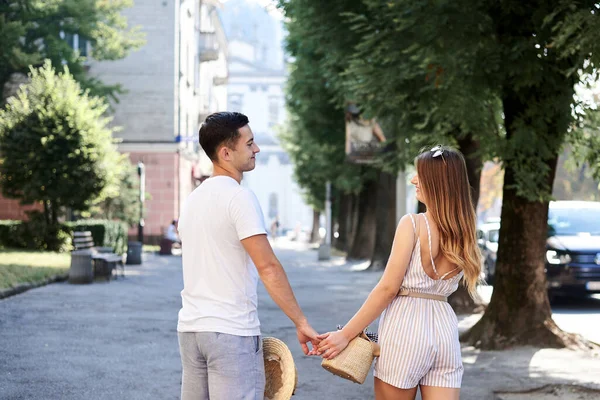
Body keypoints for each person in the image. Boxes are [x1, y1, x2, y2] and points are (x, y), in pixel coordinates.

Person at [316, 145, 481, 400]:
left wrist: (345, 335)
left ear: (437, 183)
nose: (413, 179)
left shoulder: (413, 224)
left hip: (406, 330)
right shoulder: (464, 233)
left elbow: (387, 289)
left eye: (420, 175)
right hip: (445, 330)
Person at [176, 111, 320, 400]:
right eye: (250, 143)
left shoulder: (192, 200)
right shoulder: (239, 197)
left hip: (191, 331)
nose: (257, 149)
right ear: (226, 153)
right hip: (230, 333)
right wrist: (301, 322)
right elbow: (267, 266)